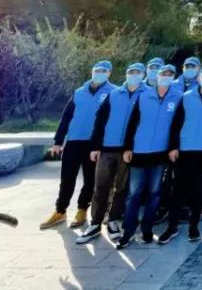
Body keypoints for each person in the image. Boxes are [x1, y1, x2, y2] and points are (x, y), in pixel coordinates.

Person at [41, 60, 116, 231]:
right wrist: (58, 141)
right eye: (97, 70)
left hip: (93, 144)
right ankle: (60, 211)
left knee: (90, 180)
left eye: (104, 71)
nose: (100, 73)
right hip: (73, 141)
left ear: (109, 73)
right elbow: (66, 116)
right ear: (92, 71)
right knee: (67, 178)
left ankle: (82, 210)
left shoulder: (113, 92)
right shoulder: (79, 92)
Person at [76, 62, 145, 243]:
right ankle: (95, 223)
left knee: (121, 189)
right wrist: (95, 146)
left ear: (143, 75)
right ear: (126, 74)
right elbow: (100, 120)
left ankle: (113, 220)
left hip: (128, 151)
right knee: (101, 187)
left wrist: (132, 148)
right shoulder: (114, 94)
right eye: (131, 72)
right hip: (106, 149)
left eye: (138, 72)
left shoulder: (146, 95)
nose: (134, 75)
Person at [116, 64, 182, 249]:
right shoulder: (144, 96)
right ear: (157, 76)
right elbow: (132, 122)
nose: (166, 77)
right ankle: (128, 231)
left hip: (160, 154)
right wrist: (128, 147)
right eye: (163, 74)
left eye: (169, 74)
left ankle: (147, 229)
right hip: (139, 152)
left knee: (154, 194)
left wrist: (173, 147)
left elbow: (177, 125)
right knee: (134, 194)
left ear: (173, 77)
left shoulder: (178, 97)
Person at [161, 65, 202, 243]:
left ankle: (194, 227)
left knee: (199, 190)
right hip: (184, 150)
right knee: (178, 189)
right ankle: (172, 226)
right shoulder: (187, 96)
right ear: (199, 78)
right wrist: (173, 146)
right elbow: (176, 123)